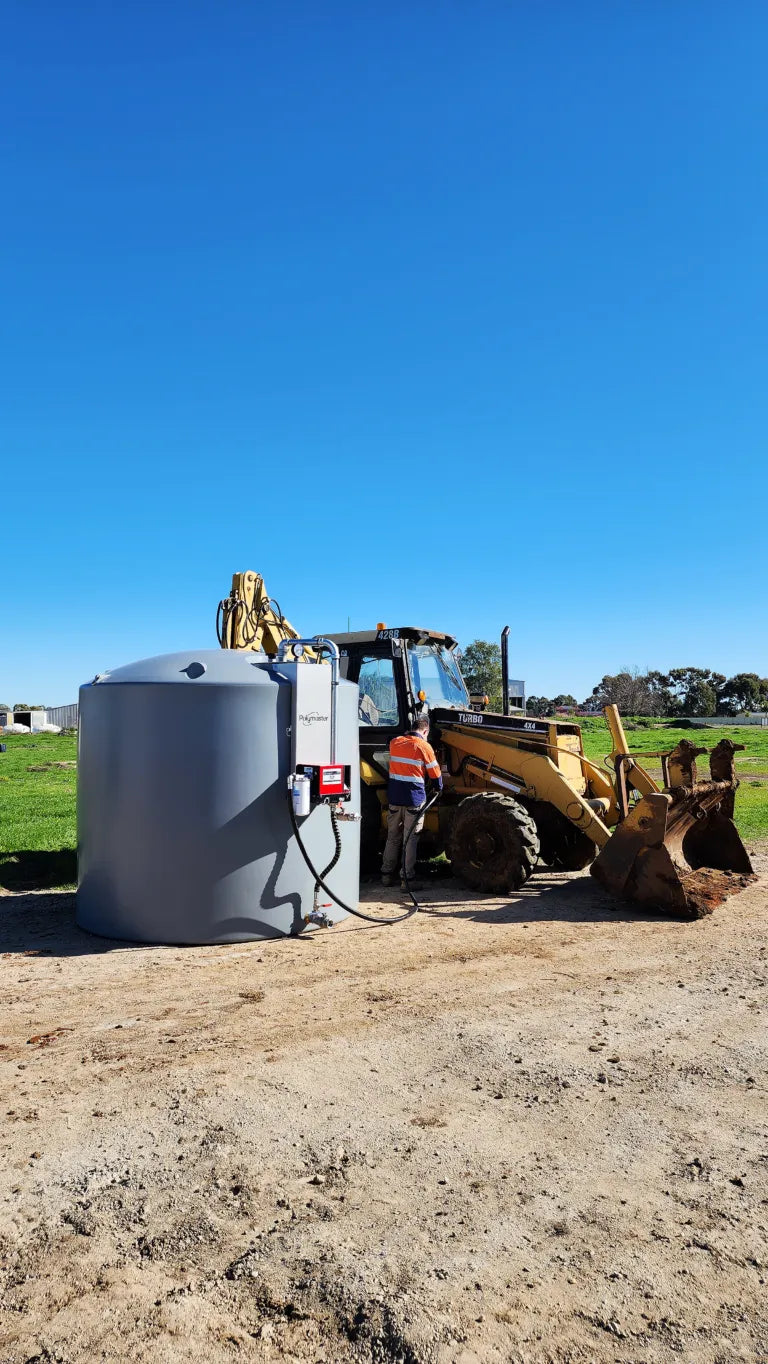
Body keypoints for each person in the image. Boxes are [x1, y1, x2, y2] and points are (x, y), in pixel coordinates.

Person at [381, 714, 442, 891]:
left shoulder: (395, 742)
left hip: (394, 797)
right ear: (425, 730)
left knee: (392, 837)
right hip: (414, 799)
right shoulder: (424, 745)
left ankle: (386, 875)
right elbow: (435, 774)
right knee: (410, 839)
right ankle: (407, 879)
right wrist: (439, 788)